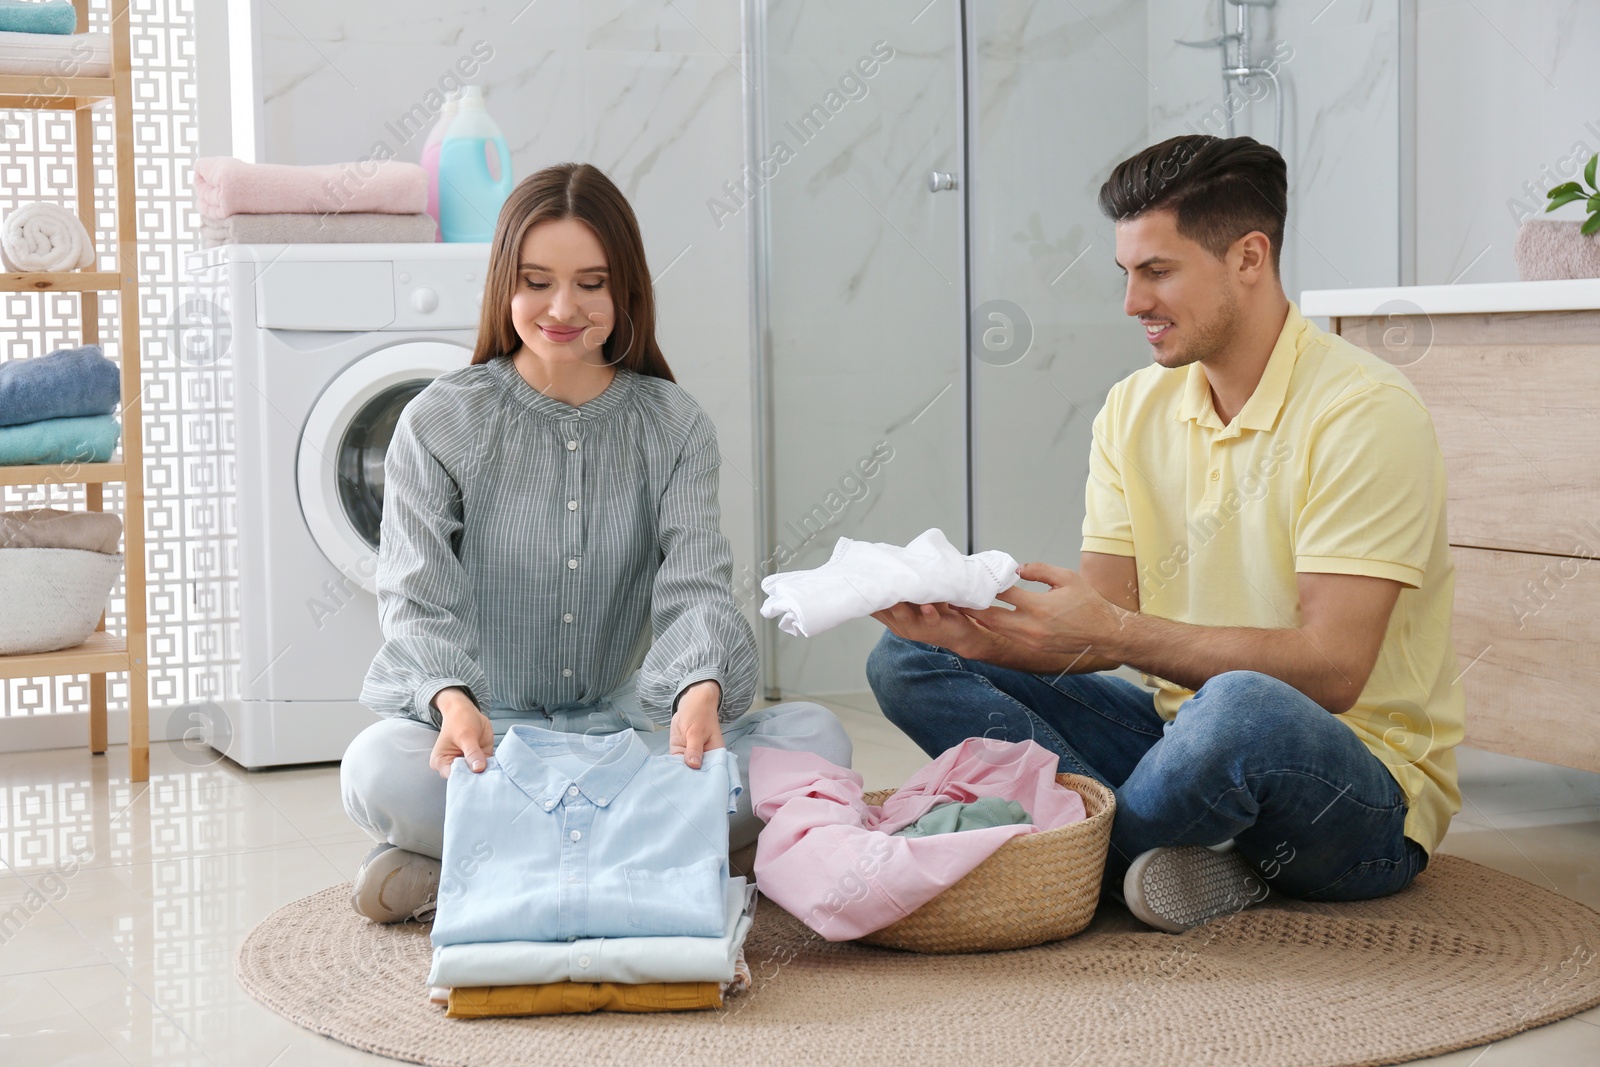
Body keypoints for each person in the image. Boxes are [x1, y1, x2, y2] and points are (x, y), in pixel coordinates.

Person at [866, 135, 1462, 933]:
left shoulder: (1363, 412)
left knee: (1242, 707)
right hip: (1184, 746)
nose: (1131, 303)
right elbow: (1103, 630)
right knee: (908, 658)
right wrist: (975, 627)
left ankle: (1069, 861)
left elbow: (1333, 669)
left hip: (1358, 796)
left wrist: (1114, 629)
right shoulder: (1132, 409)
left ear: (1249, 257)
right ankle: (1168, 854)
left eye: (1157, 271)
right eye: (1127, 274)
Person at [340, 162, 851, 923]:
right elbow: (416, 599)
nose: (562, 307)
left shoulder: (674, 425)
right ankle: (674, 852)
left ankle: (477, 862)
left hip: (629, 732)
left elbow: (696, 588)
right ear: (503, 286)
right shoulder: (439, 421)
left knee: (816, 739)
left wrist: (699, 690)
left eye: (591, 282)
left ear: (625, 290)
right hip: (488, 733)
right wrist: (451, 702)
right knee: (377, 767)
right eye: (536, 280)